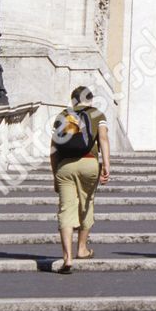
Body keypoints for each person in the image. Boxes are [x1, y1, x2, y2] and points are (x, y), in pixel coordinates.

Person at [50, 86, 110, 274]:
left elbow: (53, 149)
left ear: (73, 100)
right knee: (87, 203)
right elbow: (103, 139)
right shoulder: (97, 114)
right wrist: (107, 165)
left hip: (65, 166)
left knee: (66, 209)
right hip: (89, 163)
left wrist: (55, 174)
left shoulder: (63, 115)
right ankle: (82, 249)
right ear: (90, 100)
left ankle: (67, 258)